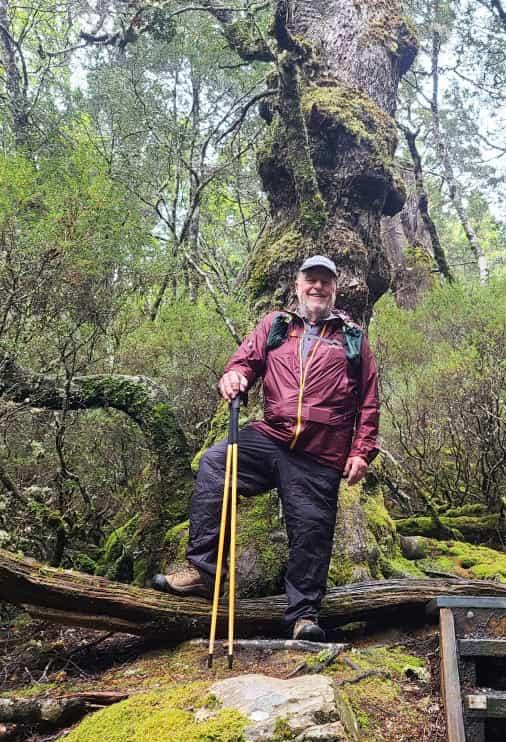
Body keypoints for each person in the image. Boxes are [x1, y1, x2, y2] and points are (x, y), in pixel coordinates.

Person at [151, 256, 380, 641]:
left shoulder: (352, 338)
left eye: (325, 282)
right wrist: (234, 375)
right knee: (215, 464)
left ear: (335, 289)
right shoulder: (276, 326)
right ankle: (204, 572)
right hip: (272, 436)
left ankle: (302, 617)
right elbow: (244, 362)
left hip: (320, 452)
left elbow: (370, 400)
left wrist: (361, 450)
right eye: (311, 280)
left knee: (312, 532)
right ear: (298, 285)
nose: (317, 288)